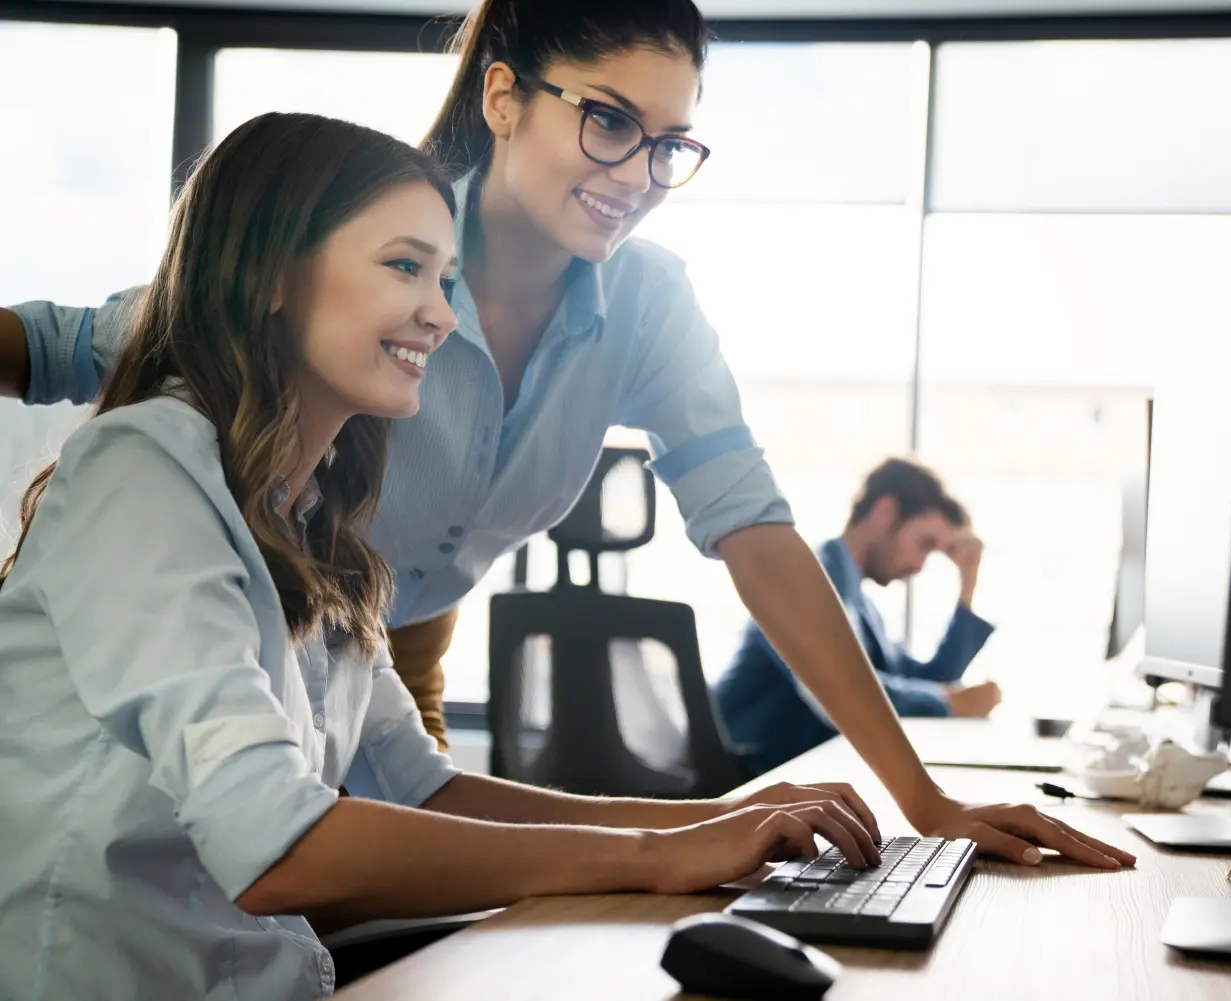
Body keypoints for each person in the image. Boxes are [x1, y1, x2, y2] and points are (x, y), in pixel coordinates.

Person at [0, 0, 1137, 869]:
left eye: (670, 142)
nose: (640, 174)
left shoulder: (644, 305)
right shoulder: (349, 257)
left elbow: (757, 531)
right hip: (225, 624)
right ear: (505, 97)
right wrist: (667, 851)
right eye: (608, 121)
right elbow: (84, 335)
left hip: (371, 637)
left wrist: (913, 798)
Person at [0, 112, 888, 1001]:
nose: (440, 310)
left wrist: (721, 819)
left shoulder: (311, 521)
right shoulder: (145, 475)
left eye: (446, 275)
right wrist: (658, 855)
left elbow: (423, 789)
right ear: (272, 278)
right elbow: (276, 844)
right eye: (404, 267)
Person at [715, 459, 1004, 773]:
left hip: (805, 780)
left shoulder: (860, 605)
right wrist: (947, 703)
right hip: (751, 779)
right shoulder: (806, 582)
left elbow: (929, 680)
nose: (920, 566)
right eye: (924, 544)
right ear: (885, 512)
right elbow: (839, 690)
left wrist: (968, 582)